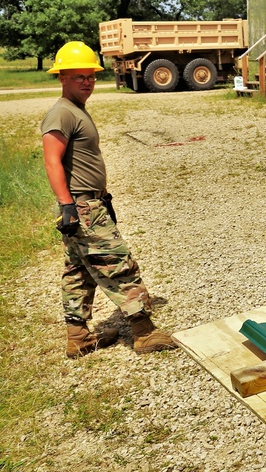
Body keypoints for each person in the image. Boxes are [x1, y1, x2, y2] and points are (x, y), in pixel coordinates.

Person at [41, 41, 177, 358]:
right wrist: (67, 205)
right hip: (81, 207)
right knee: (119, 266)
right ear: (62, 77)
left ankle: (78, 338)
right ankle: (144, 333)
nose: (87, 82)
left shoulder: (74, 110)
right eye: (78, 77)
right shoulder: (61, 113)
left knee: (79, 272)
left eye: (90, 76)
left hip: (85, 204)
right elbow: (52, 161)